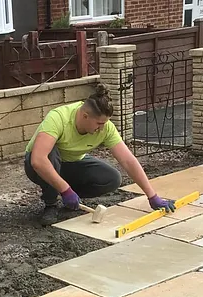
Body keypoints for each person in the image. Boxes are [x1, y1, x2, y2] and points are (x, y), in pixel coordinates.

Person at [24, 82, 175, 226]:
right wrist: (66, 190)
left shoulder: (106, 127)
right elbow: (38, 160)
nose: (102, 128)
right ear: (84, 116)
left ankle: (70, 198)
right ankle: (51, 203)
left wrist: (152, 196)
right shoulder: (58, 118)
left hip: (71, 164)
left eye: (104, 124)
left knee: (112, 179)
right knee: (50, 154)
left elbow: (128, 160)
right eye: (99, 124)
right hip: (39, 166)